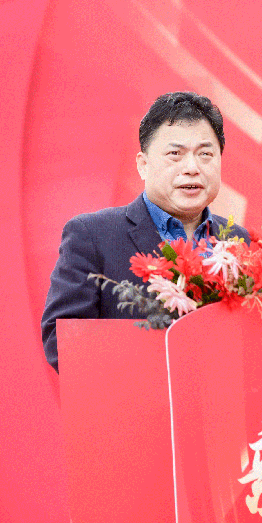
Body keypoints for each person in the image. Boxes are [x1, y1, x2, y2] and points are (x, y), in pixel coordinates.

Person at [41, 92, 249, 371]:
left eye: (205, 154)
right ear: (143, 165)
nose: (192, 168)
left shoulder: (241, 241)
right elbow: (62, 342)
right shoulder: (92, 236)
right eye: (175, 154)